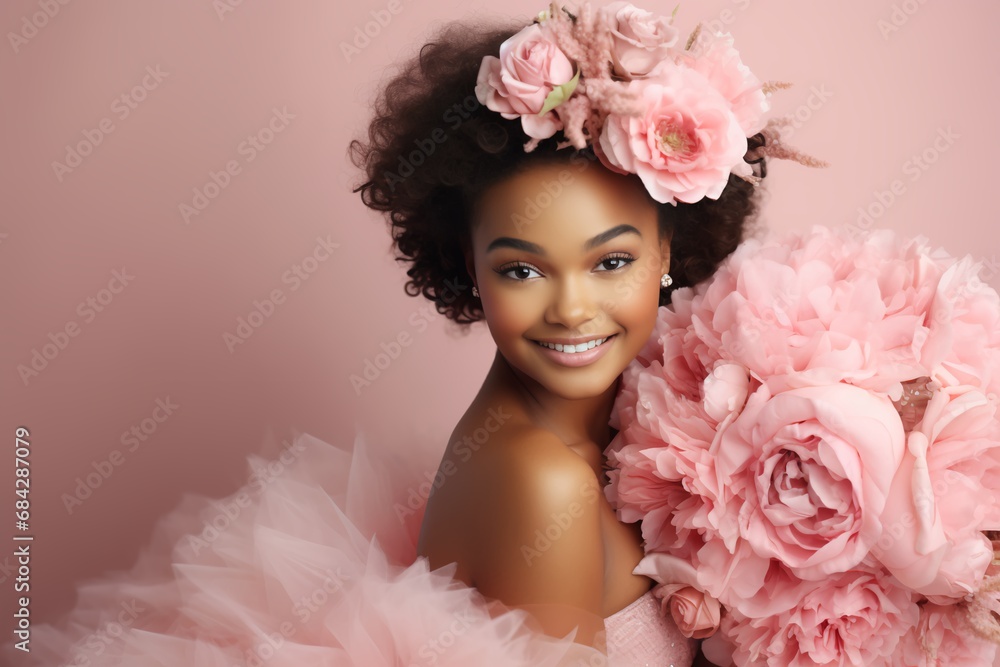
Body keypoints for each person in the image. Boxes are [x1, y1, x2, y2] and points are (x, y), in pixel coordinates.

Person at [9, 3, 787, 666]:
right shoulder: (537, 482)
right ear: (468, 265)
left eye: (610, 261)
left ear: (668, 250)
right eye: (522, 269)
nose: (572, 309)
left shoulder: (657, 416)